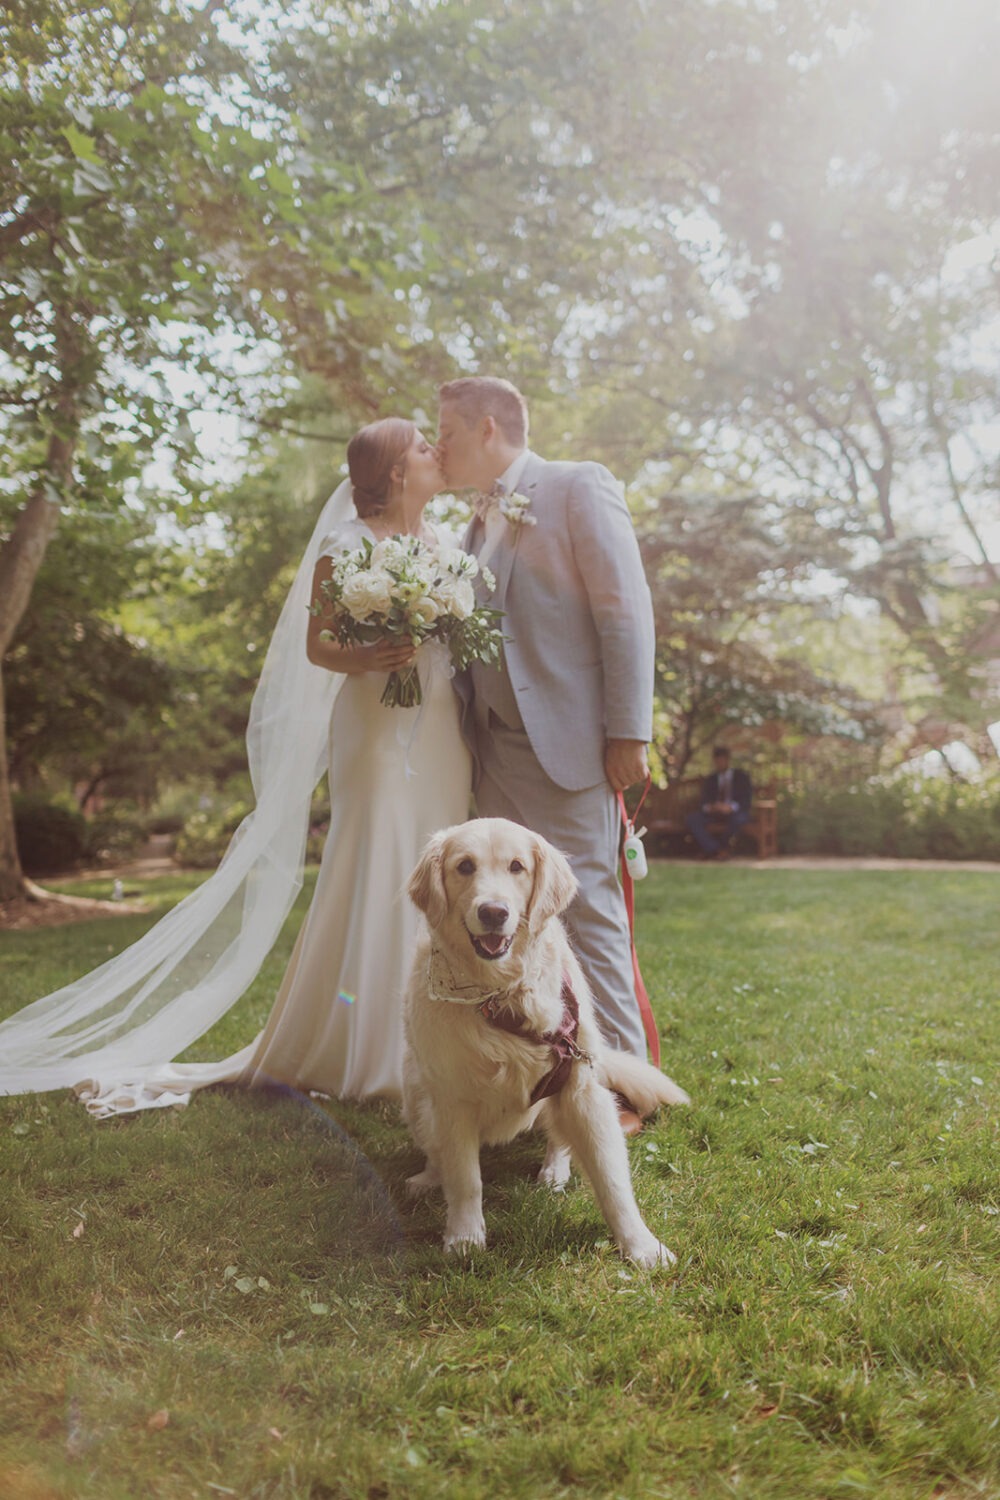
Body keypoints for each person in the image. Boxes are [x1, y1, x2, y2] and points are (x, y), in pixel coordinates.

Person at [0, 419, 472, 1115]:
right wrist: (368, 657)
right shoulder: (346, 544)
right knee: (377, 858)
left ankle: (450, 1027)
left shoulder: (448, 544)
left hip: (438, 726)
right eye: (425, 447)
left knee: (445, 856)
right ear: (398, 471)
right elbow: (319, 647)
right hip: (374, 724)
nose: (439, 452)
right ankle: (369, 1041)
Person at [436, 376, 657, 1130]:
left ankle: (622, 1089)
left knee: (587, 907)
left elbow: (625, 611)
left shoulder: (575, 488)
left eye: (449, 433)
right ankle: (538, 1076)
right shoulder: (470, 526)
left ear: (489, 427)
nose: (440, 447)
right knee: (519, 924)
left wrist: (629, 730)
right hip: (493, 749)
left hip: (568, 744)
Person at [685, 746, 752, 860]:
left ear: (727, 760)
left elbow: (746, 799)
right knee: (692, 819)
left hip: (734, 813)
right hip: (714, 814)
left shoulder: (741, 777)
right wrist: (711, 807)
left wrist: (731, 807)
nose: (719, 763)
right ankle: (717, 850)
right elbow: (704, 802)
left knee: (738, 820)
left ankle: (720, 849)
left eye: (722, 760)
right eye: (717, 761)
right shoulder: (711, 779)